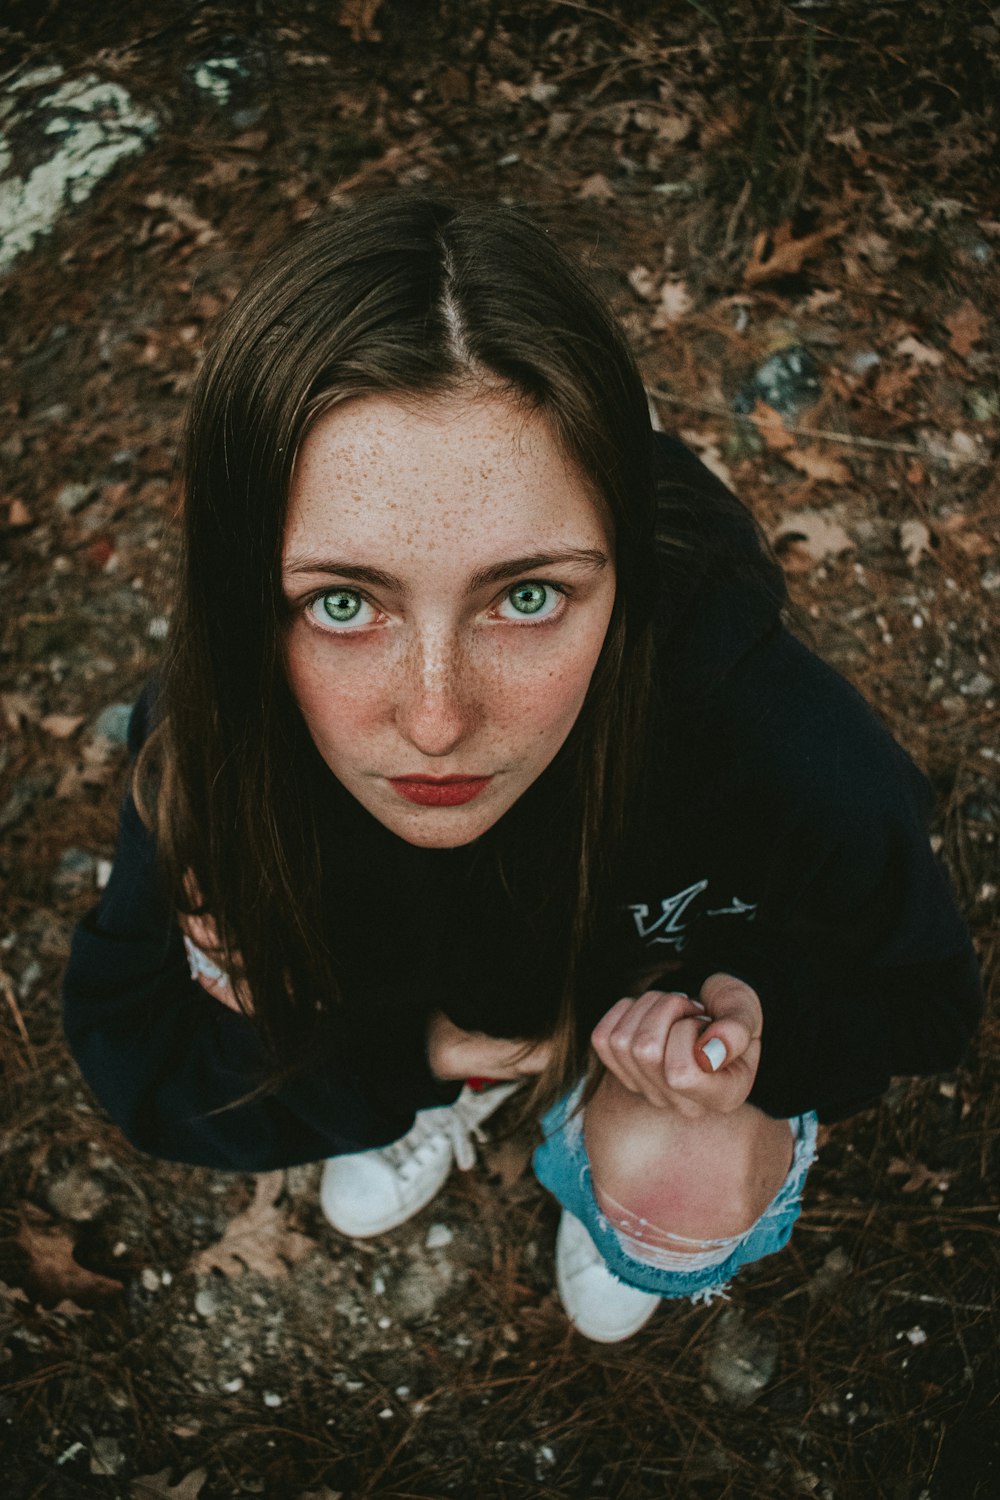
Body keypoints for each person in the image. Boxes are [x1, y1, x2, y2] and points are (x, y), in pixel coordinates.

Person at [62, 194, 982, 1343]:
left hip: (634, 1002)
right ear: (254, 588)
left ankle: (606, 1156)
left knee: (669, 1169)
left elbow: (925, 1003)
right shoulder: (215, 735)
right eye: (344, 602)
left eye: (528, 595)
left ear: (621, 571)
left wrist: (751, 1032)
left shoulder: (769, 738)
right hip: (428, 1004)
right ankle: (466, 1093)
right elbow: (132, 1038)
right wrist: (419, 1058)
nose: (438, 723)